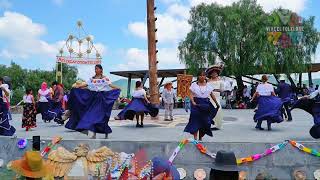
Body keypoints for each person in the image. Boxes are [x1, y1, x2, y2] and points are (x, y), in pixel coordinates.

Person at [65, 64, 120, 139]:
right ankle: (93, 134)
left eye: (97, 69)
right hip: (93, 98)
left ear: (101, 70)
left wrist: (118, 88)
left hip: (102, 98)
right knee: (92, 116)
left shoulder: (105, 79)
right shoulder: (92, 79)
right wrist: (77, 87)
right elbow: (86, 84)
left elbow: (110, 85)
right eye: (95, 69)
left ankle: (105, 131)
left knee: (102, 117)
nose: (96, 70)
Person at [184, 71, 219, 141]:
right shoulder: (194, 85)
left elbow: (211, 95)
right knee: (195, 120)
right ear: (198, 77)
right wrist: (193, 101)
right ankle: (195, 138)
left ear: (205, 76)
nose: (202, 77)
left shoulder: (208, 85)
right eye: (200, 75)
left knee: (205, 121)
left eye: (203, 75)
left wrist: (216, 103)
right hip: (196, 104)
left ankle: (201, 137)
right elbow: (190, 94)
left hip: (205, 104)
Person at [206, 64, 224, 130]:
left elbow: (222, 90)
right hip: (209, 97)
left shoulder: (220, 81)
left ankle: (217, 125)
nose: (214, 74)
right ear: (210, 74)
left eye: (215, 73)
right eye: (213, 73)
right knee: (209, 110)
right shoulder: (208, 81)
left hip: (217, 97)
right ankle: (209, 124)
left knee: (218, 110)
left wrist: (214, 90)